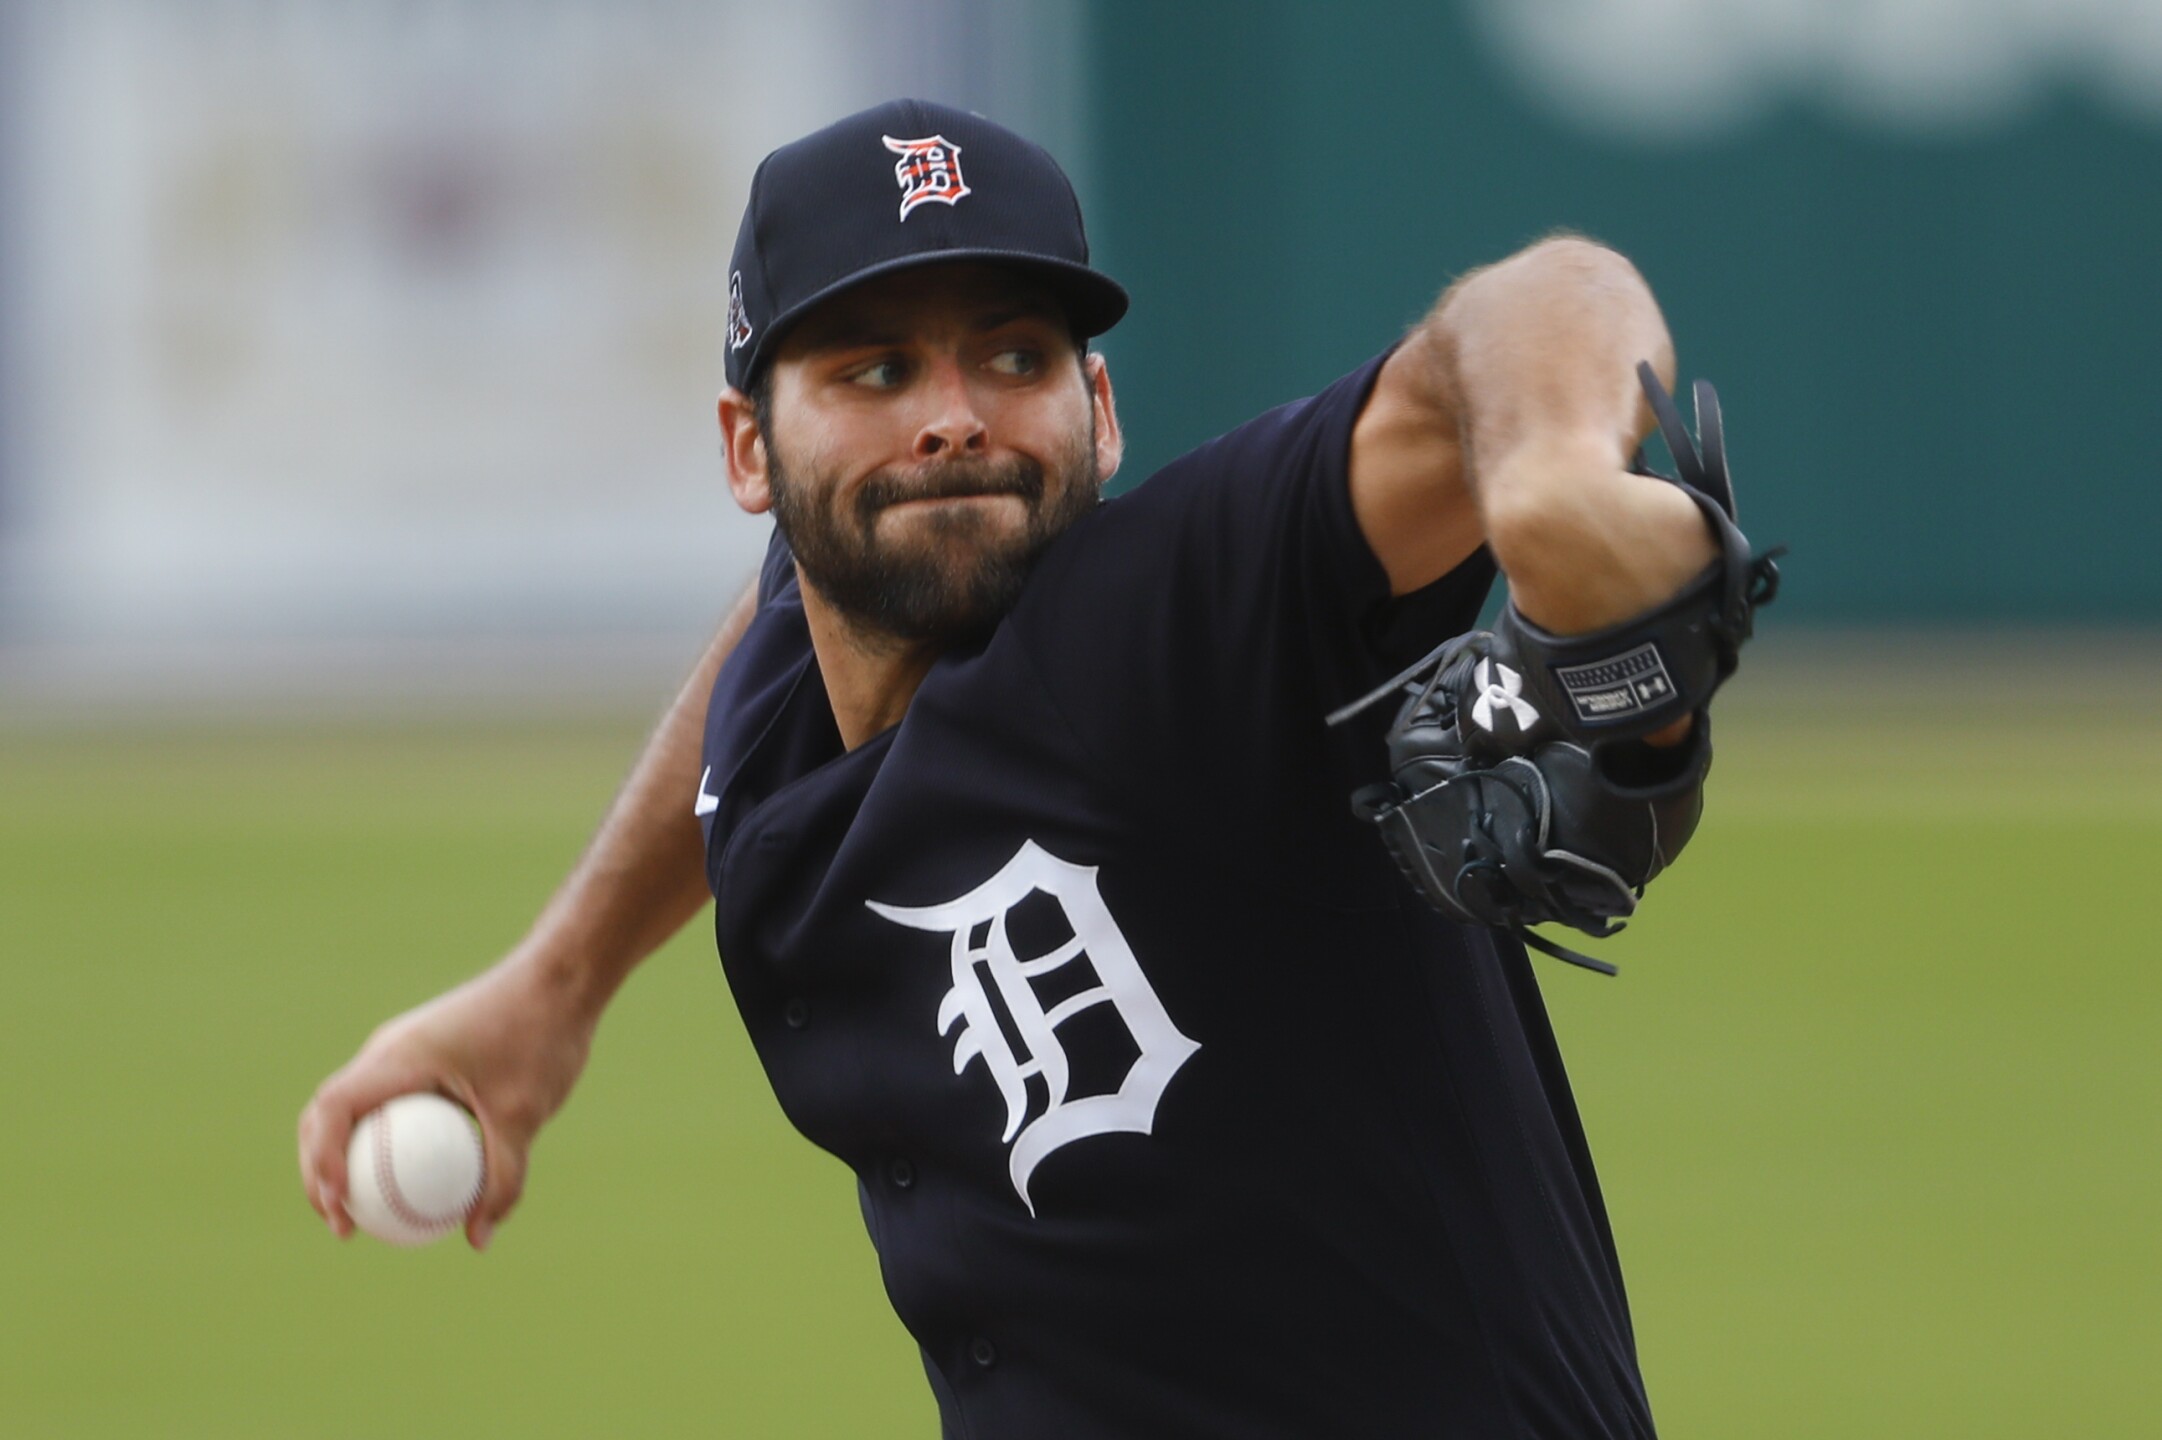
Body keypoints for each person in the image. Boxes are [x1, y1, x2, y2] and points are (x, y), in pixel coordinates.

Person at [300, 98, 1734, 1436]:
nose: (953, 418)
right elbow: (770, 639)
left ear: (1100, 414)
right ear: (750, 452)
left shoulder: (1184, 614)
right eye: (872, 369)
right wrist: (550, 990)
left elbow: (1550, 298)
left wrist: (1548, 475)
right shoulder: (793, 702)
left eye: (1013, 356)